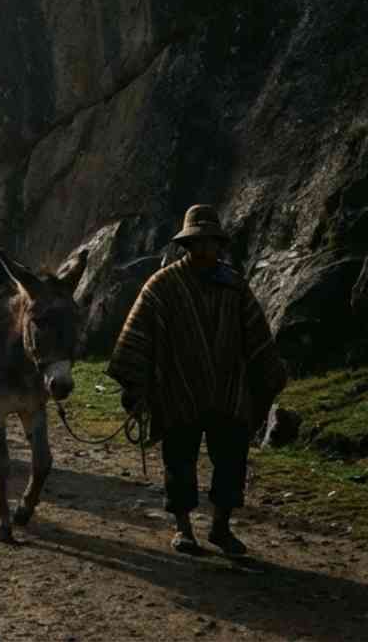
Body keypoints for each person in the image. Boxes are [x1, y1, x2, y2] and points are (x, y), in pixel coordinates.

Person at [107, 205, 287, 556]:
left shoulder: (234, 285)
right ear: (187, 246)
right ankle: (183, 529)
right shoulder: (163, 286)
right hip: (178, 392)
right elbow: (137, 337)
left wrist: (270, 374)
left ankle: (221, 528)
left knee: (231, 461)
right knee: (179, 462)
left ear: (219, 245)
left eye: (212, 244)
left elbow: (257, 335)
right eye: (199, 244)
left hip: (228, 392)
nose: (206, 251)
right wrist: (136, 387)